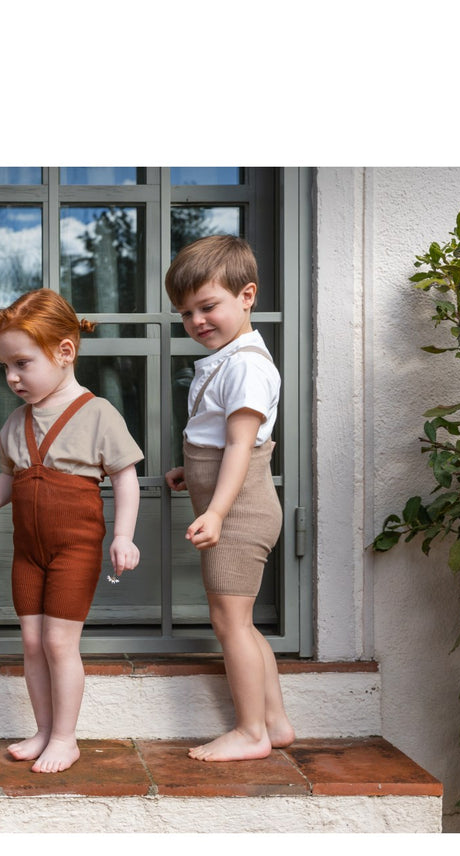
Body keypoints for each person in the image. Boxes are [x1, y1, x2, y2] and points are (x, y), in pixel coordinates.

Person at [0, 289, 143, 774]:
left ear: (65, 351)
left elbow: (126, 479)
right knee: (32, 643)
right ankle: (44, 730)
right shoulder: (15, 423)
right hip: (28, 553)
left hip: (74, 551)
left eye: (22, 363)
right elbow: (10, 476)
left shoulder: (98, 413)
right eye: (5, 366)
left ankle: (66, 738)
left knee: (60, 643)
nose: (12, 377)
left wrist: (123, 536)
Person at [164, 235, 295, 762]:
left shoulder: (245, 365)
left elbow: (243, 445)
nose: (197, 320)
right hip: (236, 511)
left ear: (247, 296)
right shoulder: (229, 359)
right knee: (242, 622)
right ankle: (275, 722)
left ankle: (250, 732)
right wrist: (191, 471)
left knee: (230, 624)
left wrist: (215, 510)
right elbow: (222, 439)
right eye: (186, 313)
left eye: (208, 306)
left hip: (239, 516)